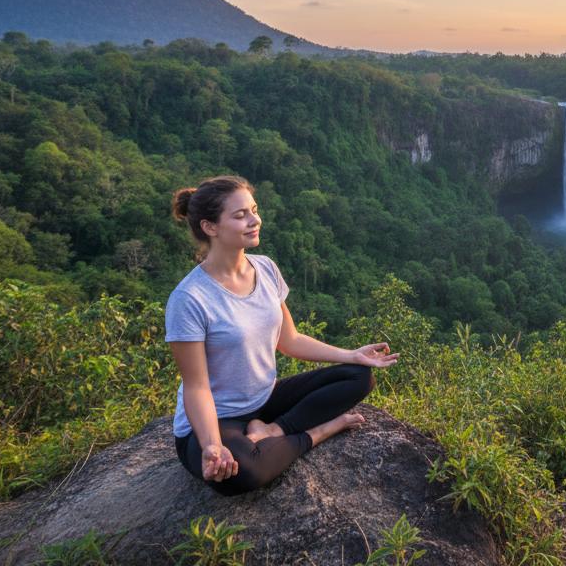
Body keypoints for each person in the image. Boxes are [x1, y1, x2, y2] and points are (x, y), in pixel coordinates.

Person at [166, 175, 399, 495]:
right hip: (218, 418)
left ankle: (274, 430)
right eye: (240, 215)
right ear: (210, 227)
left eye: (254, 210)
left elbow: (289, 340)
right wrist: (211, 445)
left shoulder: (265, 269)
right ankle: (320, 431)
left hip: (264, 400)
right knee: (239, 474)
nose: (255, 220)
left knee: (359, 377)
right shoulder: (189, 299)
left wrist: (351, 354)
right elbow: (197, 387)